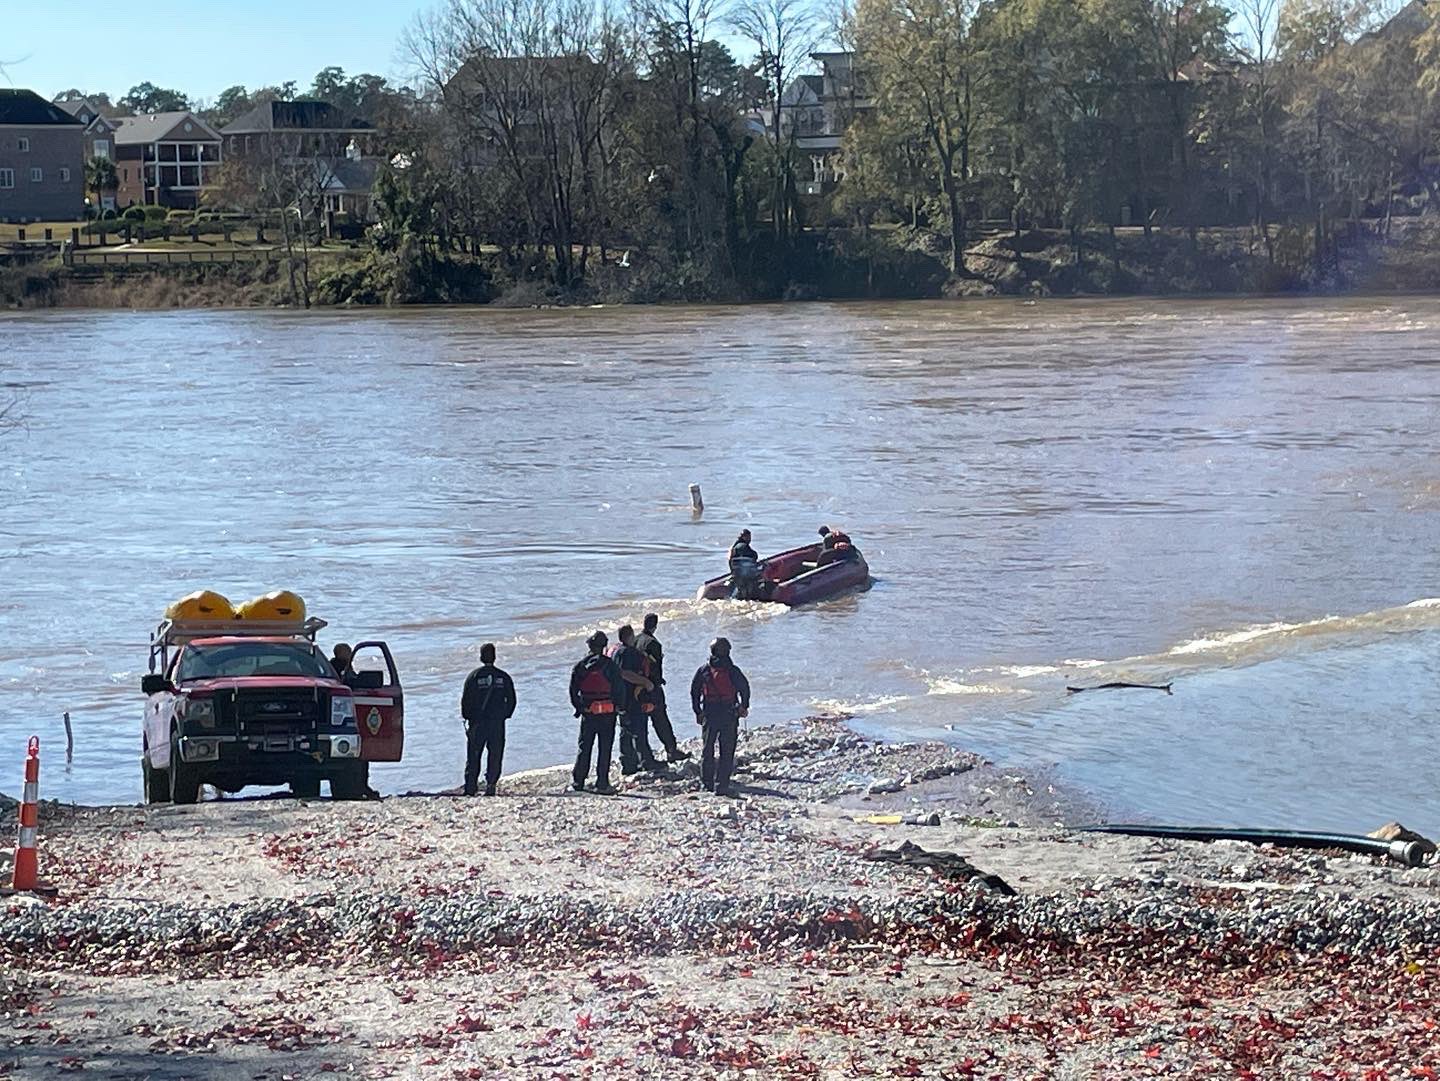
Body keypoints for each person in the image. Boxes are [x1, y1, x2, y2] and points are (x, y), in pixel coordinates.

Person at [690, 637, 751, 797]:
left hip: (710, 713)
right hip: (728, 713)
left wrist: (697, 711)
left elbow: (694, 691)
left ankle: (706, 783)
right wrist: (744, 706)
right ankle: (722, 784)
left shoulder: (704, 670)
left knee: (707, 749)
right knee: (727, 750)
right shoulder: (733, 671)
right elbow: (745, 688)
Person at [569, 631, 625, 794]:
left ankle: (578, 781)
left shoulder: (580, 666)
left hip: (588, 713)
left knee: (584, 747)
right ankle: (602, 783)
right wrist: (619, 707)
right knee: (605, 748)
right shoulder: (611, 666)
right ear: (604, 646)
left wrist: (580, 708)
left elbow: (573, 691)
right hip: (608, 714)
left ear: (590, 646)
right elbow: (619, 689)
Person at [460, 643, 517, 797]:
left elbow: (466, 700)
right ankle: (491, 784)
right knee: (495, 754)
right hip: (497, 723)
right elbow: (511, 699)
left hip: (478, 723)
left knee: (474, 755)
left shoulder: (474, 676)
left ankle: (470, 787)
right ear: (495, 657)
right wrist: (505, 715)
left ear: (481, 657)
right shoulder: (503, 677)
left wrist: (468, 717)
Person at [607, 624, 662, 776]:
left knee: (626, 730)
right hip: (632, 697)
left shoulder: (614, 651)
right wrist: (646, 683)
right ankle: (646, 761)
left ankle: (629, 763)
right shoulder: (627, 653)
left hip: (619, 697)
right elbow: (625, 673)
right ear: (630, 636)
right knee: (639, 729)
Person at [635, 613, 690, 763]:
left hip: (636, 688)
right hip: (652, 688)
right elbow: (656, 668)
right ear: (655, 626)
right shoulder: (654, 643)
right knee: (660, 720)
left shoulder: (635, 640)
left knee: (640, 724)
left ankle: (642, 757)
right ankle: (671, 750)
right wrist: (658, 681)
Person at [728, 529, 764, 600]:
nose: (750, 539)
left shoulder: (734, 547)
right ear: (744, 537)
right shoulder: (743, 546)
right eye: (748, 537)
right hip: (745, 573)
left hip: (737, 573)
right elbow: (754, 555)